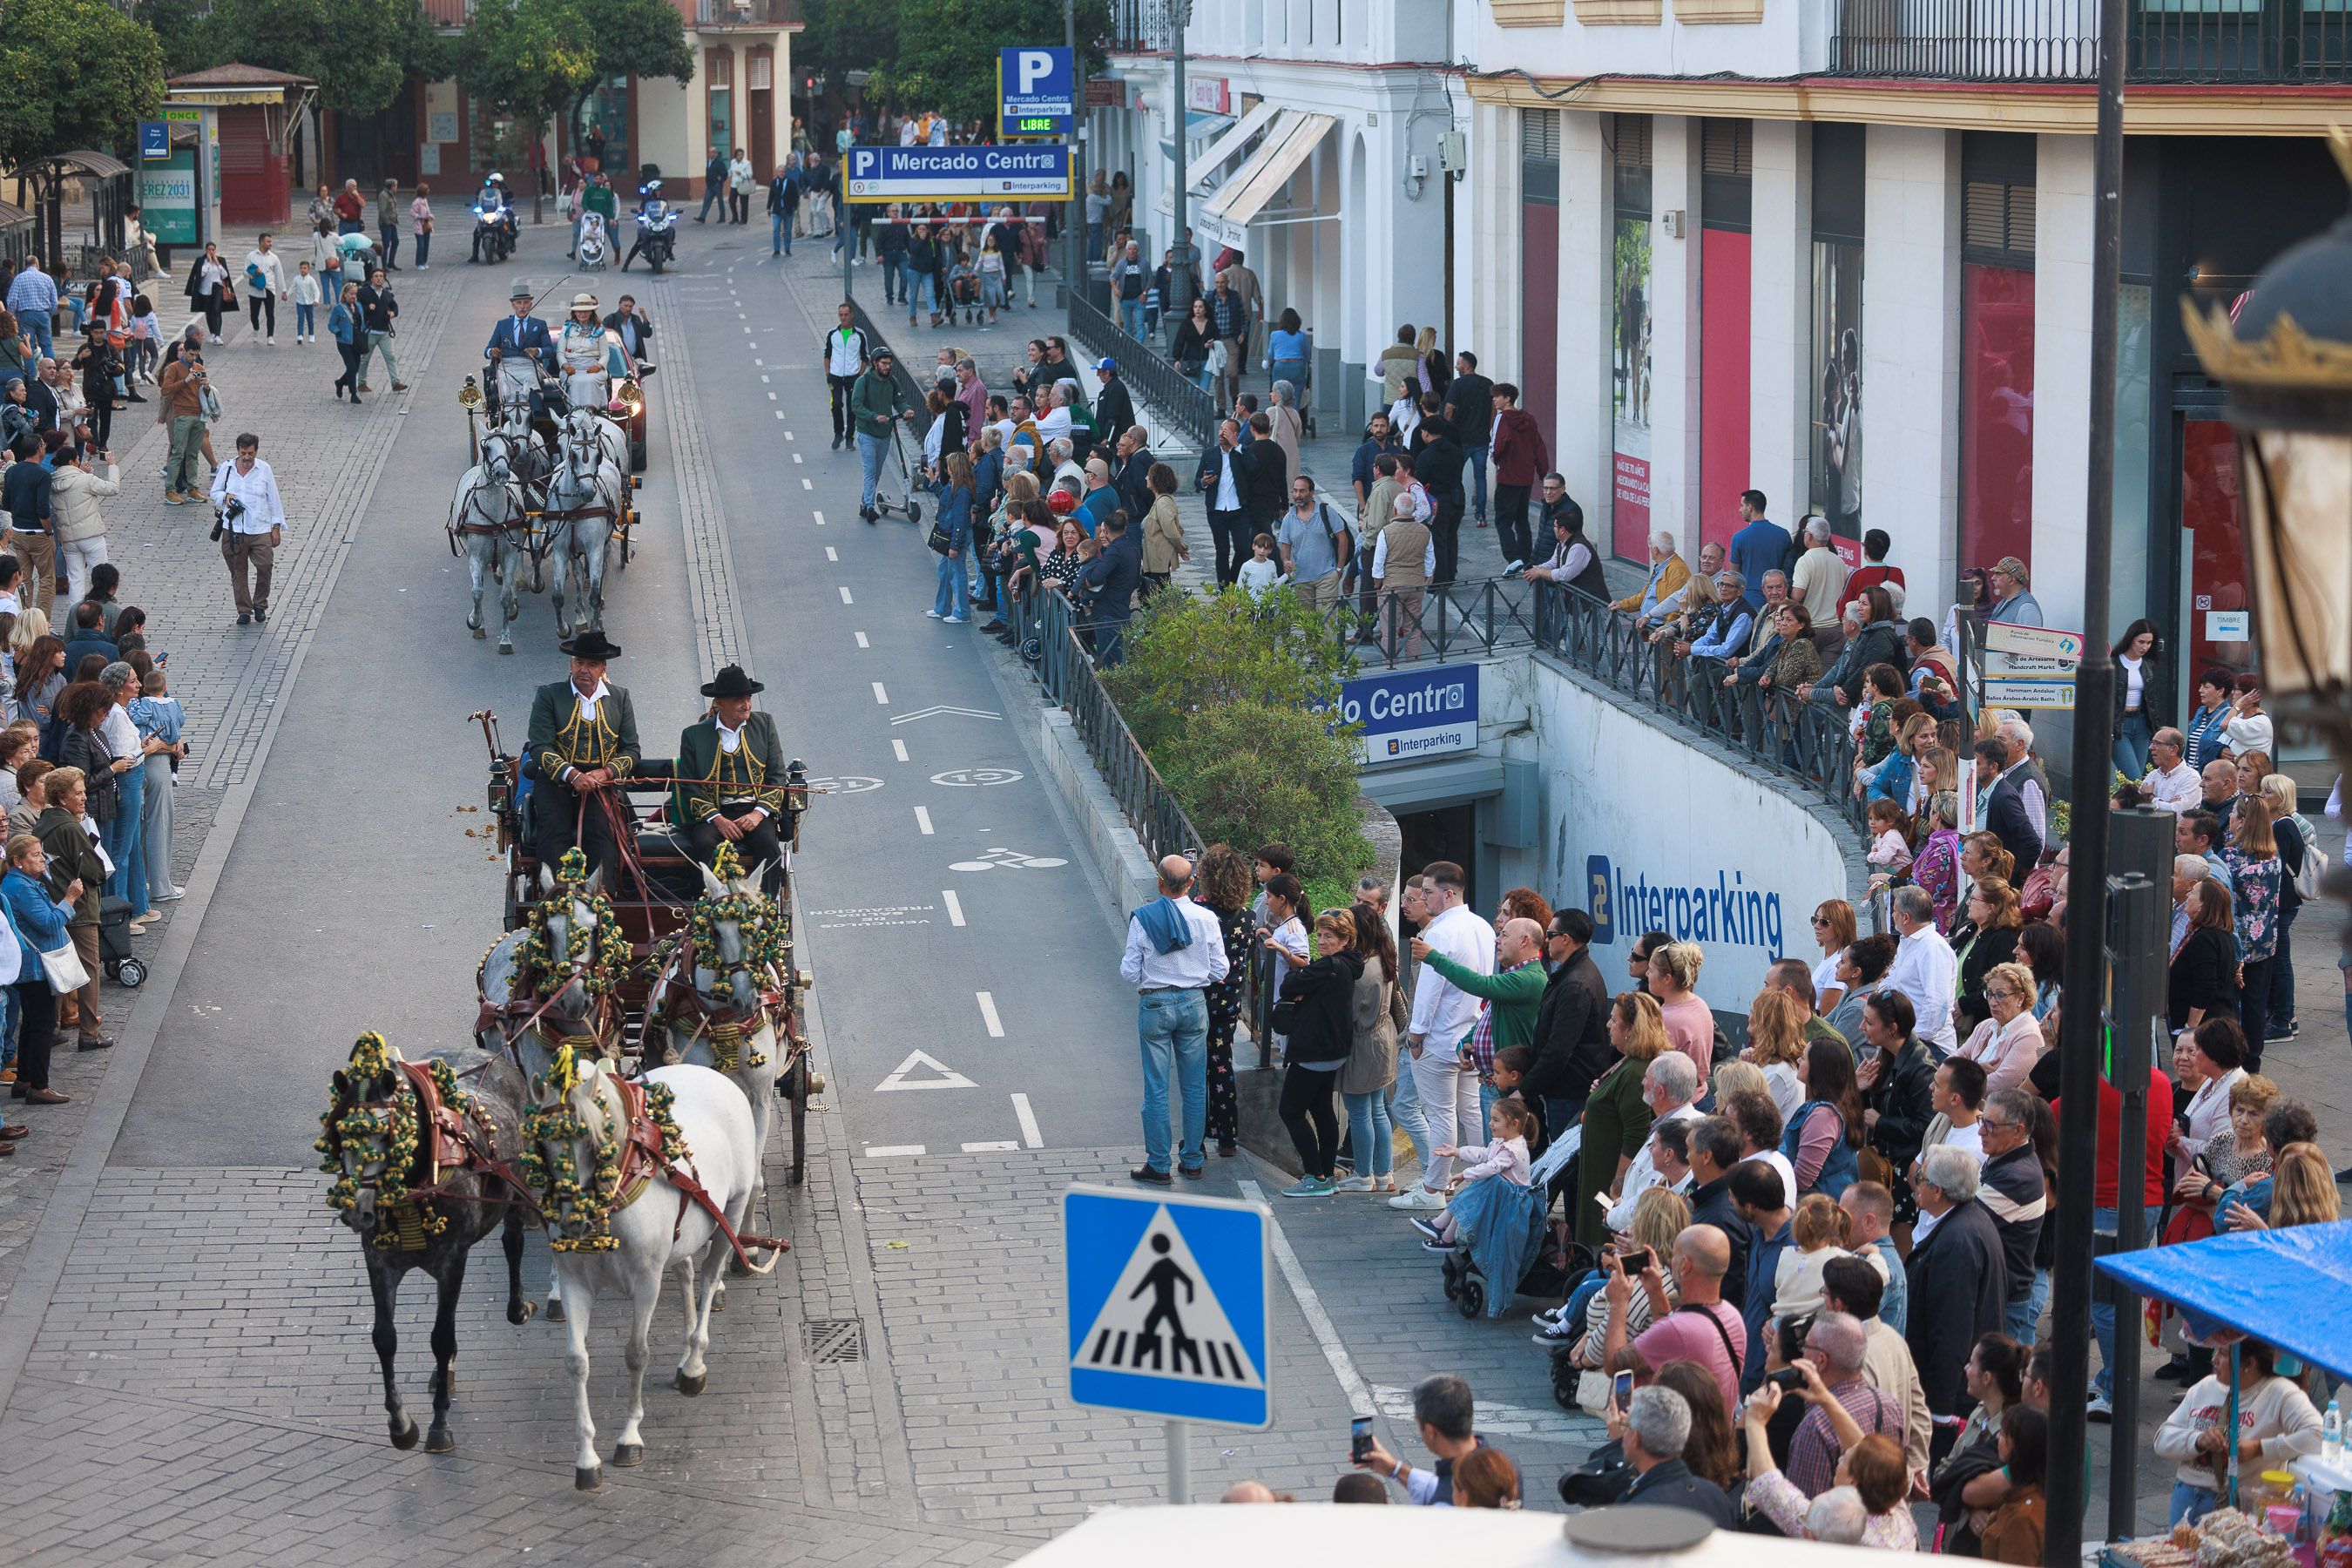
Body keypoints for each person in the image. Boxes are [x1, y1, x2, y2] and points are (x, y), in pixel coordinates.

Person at [1390, 860, 1492, 1210]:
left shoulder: (1438, 933)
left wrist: (1415, 1037)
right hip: (1470, 1035)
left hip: (1439, 1038)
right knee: (1470, 1112)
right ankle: (1482, 1179)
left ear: (1448, 894)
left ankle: (1433, 1189)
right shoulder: (1482, 927)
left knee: (1442, 1115)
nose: (1424, 898)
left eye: (1429, 893)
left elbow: (1430, 992)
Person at [1121, 853, 1228, 1186]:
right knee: (1195, 1087)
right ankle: (1193, 1161)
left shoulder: (1143, 919)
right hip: (1194, 1004)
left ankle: (1157, 1163)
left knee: (1156, 1088)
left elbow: (1128, 971)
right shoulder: (1206, 918)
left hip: (1154, 1004)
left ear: (1160, 882)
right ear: (1191, 883)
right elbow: (1220, 969)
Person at [2153, 1336, 2322, 1526]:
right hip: (2185, 1495)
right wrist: (2197, 1440)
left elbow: (2316, 1435)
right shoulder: (2205, 1386)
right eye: (2216, 1351)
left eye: (2223, 1354)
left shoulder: (2280, 1392)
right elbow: (2161, 1439)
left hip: (2235, 1504)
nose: (2213, 1359)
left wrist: (2260, 1448)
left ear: (2249, 1363)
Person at [523, 632, 639, 882]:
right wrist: (572, 774)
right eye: (579, 663)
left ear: (603, 667)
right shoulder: (549, 695)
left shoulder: (619, 698)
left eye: (592, 664)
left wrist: (605, 773)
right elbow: (540, 746)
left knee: (600, 832)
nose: (584, 669)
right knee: (553, 831)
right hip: (556, 782)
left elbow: (631, 750)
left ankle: (602, 897)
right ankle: (554, 897)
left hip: (600, 784)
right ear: (571, 664)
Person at [1905, 1143, 2008, 1418]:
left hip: (1952, 1401)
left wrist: (1939, 1411)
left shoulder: (1957, 1243)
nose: (1916, 1183)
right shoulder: (1967, 1221)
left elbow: (1950, 1331)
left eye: (1921, 1179)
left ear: (1937, 1191)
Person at [674, 664, 790, 881]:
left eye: (748, 698)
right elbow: (688, 785)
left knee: (768, 844)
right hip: (715, 814)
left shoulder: (764, 724)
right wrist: (718, 819)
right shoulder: (693, 735)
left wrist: (758, 814)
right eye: (739, 700)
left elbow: (777, 776)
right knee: (702, 844)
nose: (746, 705)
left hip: (755, 810)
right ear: (719, 703)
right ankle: (707, 907)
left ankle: (763, 908)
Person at [1575, 991, 1667, 1247]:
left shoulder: (1636, 1072)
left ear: (1630, 1029)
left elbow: (1634, 1136)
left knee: (1602, 1242)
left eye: (1614, 1021)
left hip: (1609, 1175)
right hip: (1599, 1168)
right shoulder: (1630, 1062)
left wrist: (1616, 1190)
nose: (1608, 1025)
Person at [33, 765, 105, 1051]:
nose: (84, 797)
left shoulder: (41, 824)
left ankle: (51, 1029)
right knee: (88, 971)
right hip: (80, 909)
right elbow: (95, 872)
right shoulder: (70, 828)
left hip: (53, 905)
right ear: (62, 798)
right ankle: (89, 1032)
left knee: (56, 968)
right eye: (78, 793)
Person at [1192, 845, 1254, 1159]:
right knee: (1221, 1064)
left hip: (1198, 997)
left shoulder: (1198, 911)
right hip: (1229, 1002)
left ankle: (1195, 1140)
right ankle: (1228, 1137)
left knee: (1194, 1068)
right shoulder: (1248, 916)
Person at [1337, 900, 1402, 1195]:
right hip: (1384, 1039)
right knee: (1377, 1110)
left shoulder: (1362, 971)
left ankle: (1363, 1174)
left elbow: (1347, 1014)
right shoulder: (1384, 958)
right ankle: (1384, 1173)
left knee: (1360, 1112)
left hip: (1363, 1043)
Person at [1611, 1384, 1739, 1527]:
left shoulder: (1634, 1509)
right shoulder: (1716, 1497)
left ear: (1636, 1439)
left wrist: (1614, 1443)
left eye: (1627, 1427)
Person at [1354, 1375, 1489, 1506]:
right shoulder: (1491, 1461)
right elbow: (1435, 1486)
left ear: (1431, 1432)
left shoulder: (1445, 1505)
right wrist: (1395, 1469)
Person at [2223, 797, 2285, 1064]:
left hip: (2236, 942)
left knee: (2230, 1003)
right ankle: (2253, 1058)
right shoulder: (2273, 854)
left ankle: (2232, 1055)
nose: (2229, 819)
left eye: (2234, 816)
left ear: (2243, 821)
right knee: (2256, 1003)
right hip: (2265, 940)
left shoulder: (2231, 856)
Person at [1882, 886, 1958, 1052]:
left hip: (1930, 1048)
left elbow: (1937, 1003)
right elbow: (1892, 983)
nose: (1893, 916)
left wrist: (1914, 1040)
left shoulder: (1933, 948)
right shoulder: (1908, 943)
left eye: (1895, 911)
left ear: (1906, 918)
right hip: (1907, 1041)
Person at [850, 346, 914, 523]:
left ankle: (864, 504)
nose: (887, 367)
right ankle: (870, 507)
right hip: (867, 434)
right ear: (875, 363)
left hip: (885, 435)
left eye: (889, 364)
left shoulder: (891, 382)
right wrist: (874, 417)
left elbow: (899, 400)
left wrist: (907, 410)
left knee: (877, 472)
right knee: (870, 471)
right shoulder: (863, 382)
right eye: (884, 364)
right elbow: (856, 406)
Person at [158, 338, 209, 505]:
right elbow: (165, 390)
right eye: (191, 354)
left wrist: (206, 386)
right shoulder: (173, 368)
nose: (193, 358)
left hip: (199, 415)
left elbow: (204, 394)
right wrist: (185, 381)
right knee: (178, 452)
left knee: (193, 454)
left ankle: (192, 488)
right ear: (185, 351)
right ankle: (170, 490)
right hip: (182, 414)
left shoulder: (199, 368)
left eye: (196, 355)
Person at [241, 233, 287, 346]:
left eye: (271, 242)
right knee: (254, 315)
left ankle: (270, 336)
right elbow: (244, 273)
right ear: (261, 242)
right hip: (255, 289)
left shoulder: (274, 257)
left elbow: (279, 274)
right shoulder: (251, 256)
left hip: (269, 289)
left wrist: (284, 290)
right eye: (268, 242)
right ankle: (256, 329)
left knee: (270, 314)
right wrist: (253, 273)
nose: (270, 244)